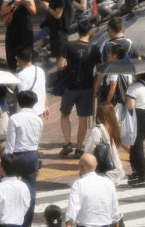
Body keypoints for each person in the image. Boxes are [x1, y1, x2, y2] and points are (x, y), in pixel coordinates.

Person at [57, 20, 102, 159]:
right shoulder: (94, 49)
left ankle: (67, 143)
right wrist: (96, 86)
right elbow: (100, 70)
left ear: (78, 32)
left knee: (65, 114)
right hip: (87, 87)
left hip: (70, 86)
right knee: (83, 119)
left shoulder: (69, 45)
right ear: (89, 32)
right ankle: (78, 148)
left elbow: (60, 65)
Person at [4, 90, 42, 227]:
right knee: (30, 190)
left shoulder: (15, 118)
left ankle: (10, 218)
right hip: (32, 155)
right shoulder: (38, 119)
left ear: (19, 102)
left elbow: (10, 143)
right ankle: (26, 223)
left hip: (17, 155)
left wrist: (6, 160)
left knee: (9, 187)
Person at [83, 101, 126, 186]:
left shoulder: (97, 131)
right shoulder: (114, 129)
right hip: (116, 171)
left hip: (103, 173)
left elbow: (88, 152)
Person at [1, 0, 35, 71]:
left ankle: (27, 72)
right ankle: (13, 72)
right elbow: (2, 12)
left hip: (26, 29)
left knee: (26, 53)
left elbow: (34, 12)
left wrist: (26, 3)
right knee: (11, 54)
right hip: (12, 29)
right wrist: (14, 5)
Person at [15, 48, 48, 119]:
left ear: (20, 59)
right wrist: (46, 106)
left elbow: (22, 95)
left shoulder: (21, 75)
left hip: (28, 112)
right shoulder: (40, 70)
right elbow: (43, 89)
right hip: (40, 108)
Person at [126, 73, 145, 186]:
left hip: (138, 116)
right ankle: (138, 172)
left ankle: (141, 174)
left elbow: (130, 105)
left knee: (136, 147)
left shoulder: (134, 87)